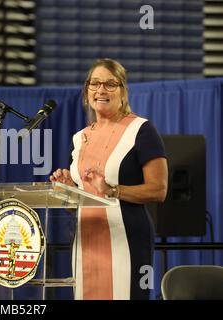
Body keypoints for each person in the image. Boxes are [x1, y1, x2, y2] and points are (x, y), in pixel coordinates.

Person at [50, 58, 168, 300]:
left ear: (122, 91)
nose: (101, 90)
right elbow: (80, 202)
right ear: (86, 91)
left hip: (126, 239)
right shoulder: (79, 137)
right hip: (86, 240)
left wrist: (113, 190)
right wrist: (68, 189)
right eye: (95, 84)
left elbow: (159, 190)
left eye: (110, 84)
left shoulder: (141, 130)